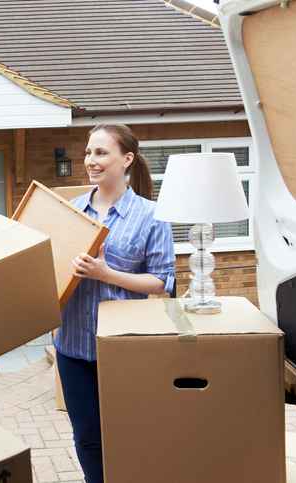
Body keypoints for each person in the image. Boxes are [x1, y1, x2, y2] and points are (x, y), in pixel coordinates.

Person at [55, 124, 176, 483]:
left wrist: (108, 274)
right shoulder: (70, 211)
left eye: (101, 153)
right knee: (88, 439)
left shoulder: (153, 216)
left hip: (126, 348)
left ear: (127, 159)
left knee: (131, 435)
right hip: (73, 346)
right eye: (89, 152)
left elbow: (161, 281)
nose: (91, 161)